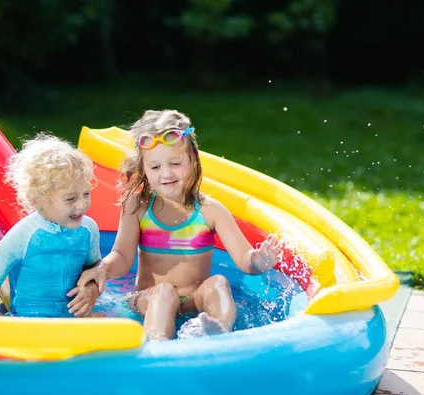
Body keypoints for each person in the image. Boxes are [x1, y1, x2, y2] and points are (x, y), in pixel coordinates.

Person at [76, 110, 280, 340]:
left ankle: (219, 332)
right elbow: (122, 257)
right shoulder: (139, 207)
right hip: (148, 299)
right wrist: (103, 268)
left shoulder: (211, 211)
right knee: (164, 292)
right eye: (155, 167)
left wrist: (259, 261)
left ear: (192, 158)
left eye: (175, 163)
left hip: (194, 300)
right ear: (143, 169)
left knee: (219, 283)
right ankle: (158, 343)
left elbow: (244, 259)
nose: (166, 173)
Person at [0, 134, 102, 318]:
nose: (82, 204)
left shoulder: (88, 230)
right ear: (37, 199)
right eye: (70, 198)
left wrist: (91, 290)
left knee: (114, 326)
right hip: (31, 323)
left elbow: (95, 268)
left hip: (73, 319)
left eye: (86, 194)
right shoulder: (23, 236)